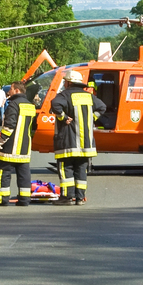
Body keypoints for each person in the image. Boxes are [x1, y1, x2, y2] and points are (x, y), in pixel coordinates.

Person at [51, 70, 106, 205]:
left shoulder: (65, 95)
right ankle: (80, 198)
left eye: (65, 81)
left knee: (66, 169)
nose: (64, 83)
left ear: (69, 82)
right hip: (85, 143)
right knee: (81, 169)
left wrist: (63, 117)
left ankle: (66, 197)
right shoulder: (89, 96)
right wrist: (92, 118)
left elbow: (54, 104)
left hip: (67, 141)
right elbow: (102, 107)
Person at [0, 82, 37, 206]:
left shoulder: (13, 105)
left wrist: (0, 141)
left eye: (10, 89)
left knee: (3, 172)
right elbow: (33, 128)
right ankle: (24, 200)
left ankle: (2, 199)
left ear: (16, 91)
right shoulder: (31, 106)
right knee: (24, 175)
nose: (8, 91)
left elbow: (9, 126)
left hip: (10, 148)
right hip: (24, 149)